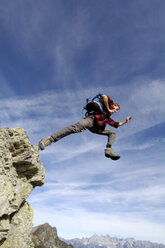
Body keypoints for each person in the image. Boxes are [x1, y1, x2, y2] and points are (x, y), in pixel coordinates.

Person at [38, 94, 132, 160]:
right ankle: (49, 139)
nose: (116, 111)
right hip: (91, 120)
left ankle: (108, 149)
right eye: (116, 109)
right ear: (114, 105)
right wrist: (108, 108)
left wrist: (126, 121)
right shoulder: (109, 104)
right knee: (75, 128)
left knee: (112, 133)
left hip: (97, 128)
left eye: (117, 111)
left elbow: (117, 125)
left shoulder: (108, 118)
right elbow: (104, 96)